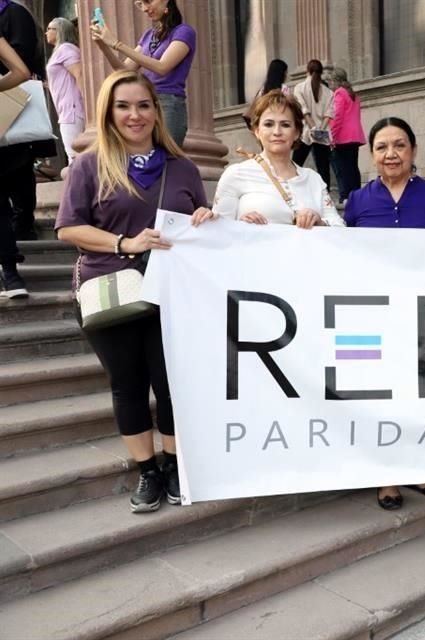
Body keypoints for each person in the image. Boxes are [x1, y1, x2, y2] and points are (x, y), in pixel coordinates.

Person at [55, 70, 208, 513]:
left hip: (173, 292)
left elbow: (197, 215)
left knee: (172, 383)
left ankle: (176, 464)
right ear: (109, 112)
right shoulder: (89, 164)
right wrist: (125, 242)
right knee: (127, 384)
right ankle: (148, 471)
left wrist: (206, 219)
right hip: (110, 288)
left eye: (143, 105)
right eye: (123, 106)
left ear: (156, 111)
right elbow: (68, 228)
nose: (134, 115)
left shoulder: (183, 167)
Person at [345, 116, 425, 509]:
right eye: (382, 147)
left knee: (421, 393)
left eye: (399, 145)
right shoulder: (357, 202)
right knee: (379, 394)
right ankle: (386, 474)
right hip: (372, 316)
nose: (390, 153)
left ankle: (419, 466)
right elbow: (340, 258)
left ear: (413, 151)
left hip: (424, 313)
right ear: (371, 154)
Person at [191, 90, 343, 228]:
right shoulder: (236, 174)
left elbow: (340, 228)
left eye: (285, 125)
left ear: (296, 132)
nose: (277, 132)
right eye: (268, 124)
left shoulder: (313, 179)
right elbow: (221, 230)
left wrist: (319, 221)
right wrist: (240, 225)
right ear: (257, 131)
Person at [90, 0, 196, 147]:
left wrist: (116, 43)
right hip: (145, 102)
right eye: (140, 4)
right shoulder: (148, 36)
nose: (145, 9)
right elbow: (124, 70)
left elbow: (162, 67)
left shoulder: (184, 32)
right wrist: (104, 45)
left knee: (166, 160)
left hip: (168, 104)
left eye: (147, 1)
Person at [0, 1, 41, 299]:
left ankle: (10, 272)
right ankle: (11, 274)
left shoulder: (13, 14)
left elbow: (22, 71)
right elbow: (20, 71)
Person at [45, 17, 84, 164]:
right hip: (66, 109)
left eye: (50, 29)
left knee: (74, 155)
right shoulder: (60, 51)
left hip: (72, 110)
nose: (46, 32)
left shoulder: (66, 49)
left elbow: (79, 74)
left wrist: (88, 102)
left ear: (59, 31)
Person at [292, 59, 334, 186]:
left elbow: (304, 112)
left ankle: (292, 191)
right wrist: (319, 129)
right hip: (322, 132)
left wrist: (313, 128)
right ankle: (325, 196)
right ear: (321, 72)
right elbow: (328, 114)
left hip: (305, 132)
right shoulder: (329, 92)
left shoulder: (299, 88)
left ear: (307, 71)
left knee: (295, 164)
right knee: (323, 168)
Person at [327, 67, 365, 203]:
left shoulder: (339, 93)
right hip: (355, 136)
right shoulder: (353, 95)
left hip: (342, 137)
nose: (330, 84)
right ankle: (357, 194)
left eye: (330, 81)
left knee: (342, 168)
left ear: (335, 81)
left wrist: (331, 136)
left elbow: (337, 117)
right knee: (353, 167)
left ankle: (346, 196)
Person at [243, 58, 288, 131]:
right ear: (282, 73)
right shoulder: (284, 89)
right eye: (285, 72)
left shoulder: (262, 90)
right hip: (278, 124)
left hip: (264, 124)